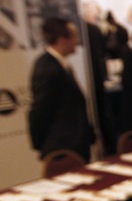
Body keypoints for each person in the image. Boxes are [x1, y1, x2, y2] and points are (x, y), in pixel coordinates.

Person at [28, 17, 95, 162]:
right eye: (74, 37)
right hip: (63, 147)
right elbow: (39, 111)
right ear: (62, 40)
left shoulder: (60, 64)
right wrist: (43, 145)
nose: (77, 42)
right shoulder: (47, 68)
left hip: (73, 144)